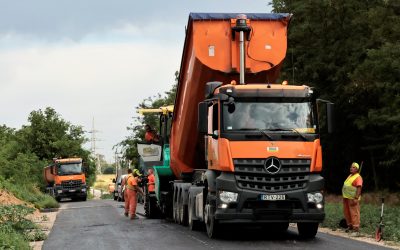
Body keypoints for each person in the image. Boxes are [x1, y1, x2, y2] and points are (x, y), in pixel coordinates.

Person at [342, 162, 363, 234]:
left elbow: (359, 188)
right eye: (351, 167)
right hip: (346, 197)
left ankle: (356, 228)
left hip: (353, 198)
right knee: (347, 212)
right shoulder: (350, 175)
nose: (351, 168)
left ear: (357, 169)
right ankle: (350, 225)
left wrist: (356, 198)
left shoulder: (358, 177)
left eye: (353, 167)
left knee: (354, 213)